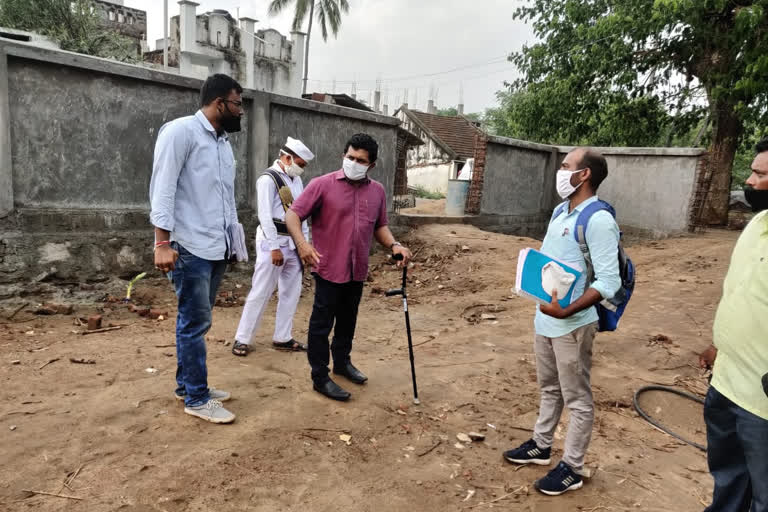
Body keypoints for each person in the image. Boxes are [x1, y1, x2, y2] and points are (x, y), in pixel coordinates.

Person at [503, 148, 621, 495]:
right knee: (550, 388)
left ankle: (573, 466)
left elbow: (609, 282)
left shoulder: (599, 220)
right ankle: (541, 445)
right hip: (546, 318)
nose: (560, 171)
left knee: (578, 398)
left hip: (572, 324)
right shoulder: (560, 211)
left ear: (584, 175)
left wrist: (567, 311)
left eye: (567, 166)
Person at [285, 133, 412, 401]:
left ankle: (342, 364)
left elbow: (380, 226)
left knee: (347, 321)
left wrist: (395, 246)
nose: (353, 163)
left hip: (357, 269)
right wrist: (302, 245)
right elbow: (293, 214)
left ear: (371, 165)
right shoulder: (322, 185)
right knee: (321, 325)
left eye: (360, 160)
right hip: (328, 267)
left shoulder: (376, 191)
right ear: (343, 155)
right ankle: (320, 376)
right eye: (350, 157)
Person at [149, 74, 244, 424]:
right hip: (188, 246)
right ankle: (197, 398)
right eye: (237, 104)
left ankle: (186, 385)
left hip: (215, 247)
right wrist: (161, 242)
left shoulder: (222, 143)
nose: (241, 111)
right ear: (219, 103)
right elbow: (163, 188)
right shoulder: (180, 132)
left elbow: (226, 198)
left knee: (198, 322)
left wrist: (233, 243)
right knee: (193, 322)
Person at [698, 137, 768, 512]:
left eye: (760, 174)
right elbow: (740, 293)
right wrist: (719, 345)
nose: (751, 181)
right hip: (726, 384)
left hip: (762, 403)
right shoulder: (758, 223)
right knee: (728, 475)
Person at [231, 137, 314, 356]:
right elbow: (265, 216)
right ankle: (242, 338)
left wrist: (304, 244)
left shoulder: (296, 180)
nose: (301, 169)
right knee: (261, 290)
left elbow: (301, 215)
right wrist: (274, 247)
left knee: (291, 292)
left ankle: (282, 336)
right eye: (300, 164)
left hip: (293, 243)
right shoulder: (268, 179)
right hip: (273, 241)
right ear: (287, 157)